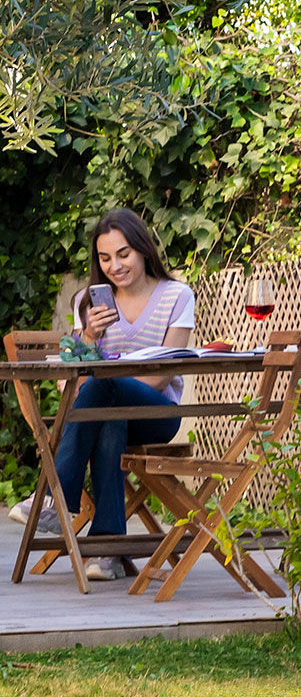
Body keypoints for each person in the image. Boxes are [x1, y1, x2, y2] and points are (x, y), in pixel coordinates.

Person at [7, 209, 195, 581]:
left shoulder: (177, 295)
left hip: (157, 415)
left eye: (123, 254)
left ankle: (54, 497)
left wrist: (105, 381)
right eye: (105, 258)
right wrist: (89, 336)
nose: (115, 266)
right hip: (105, 412)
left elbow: (160, 379)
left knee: (102, 386)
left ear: (142, 249)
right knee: (107, 415)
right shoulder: (88, 303)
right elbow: (74, 380)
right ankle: (108, 551)